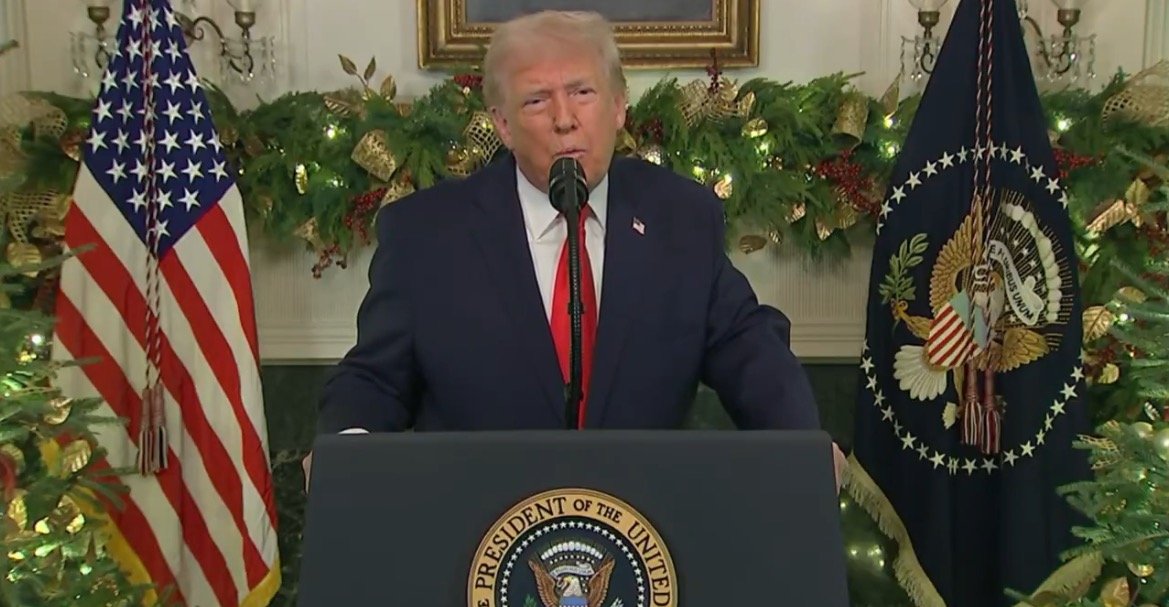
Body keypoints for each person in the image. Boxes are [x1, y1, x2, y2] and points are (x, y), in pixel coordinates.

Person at [305, 10, 845, 487]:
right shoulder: (427, 234)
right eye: (537, 100)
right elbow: (374, 378)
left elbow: (746, 345)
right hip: (476, 528)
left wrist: (798, 443)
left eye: (583, 93)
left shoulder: (680, 217)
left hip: (643, 524)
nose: (565, 118)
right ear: (503, 125)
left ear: (617, 107)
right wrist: (348, 451)